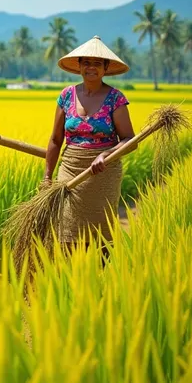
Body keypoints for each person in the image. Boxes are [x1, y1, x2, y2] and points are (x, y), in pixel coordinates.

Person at [43, 35, 135, 253]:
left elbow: (130, 140)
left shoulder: (115, 99)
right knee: (66, 230)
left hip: (103, 174)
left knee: (99, 236)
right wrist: (48, 176)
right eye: (86, 63)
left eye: (97, 64)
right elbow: (56, 139)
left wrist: (106, 154)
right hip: (70, 170)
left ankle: (99, 278)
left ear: (105, 68)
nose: (91, 68)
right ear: (79, 66)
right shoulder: (66, 95)